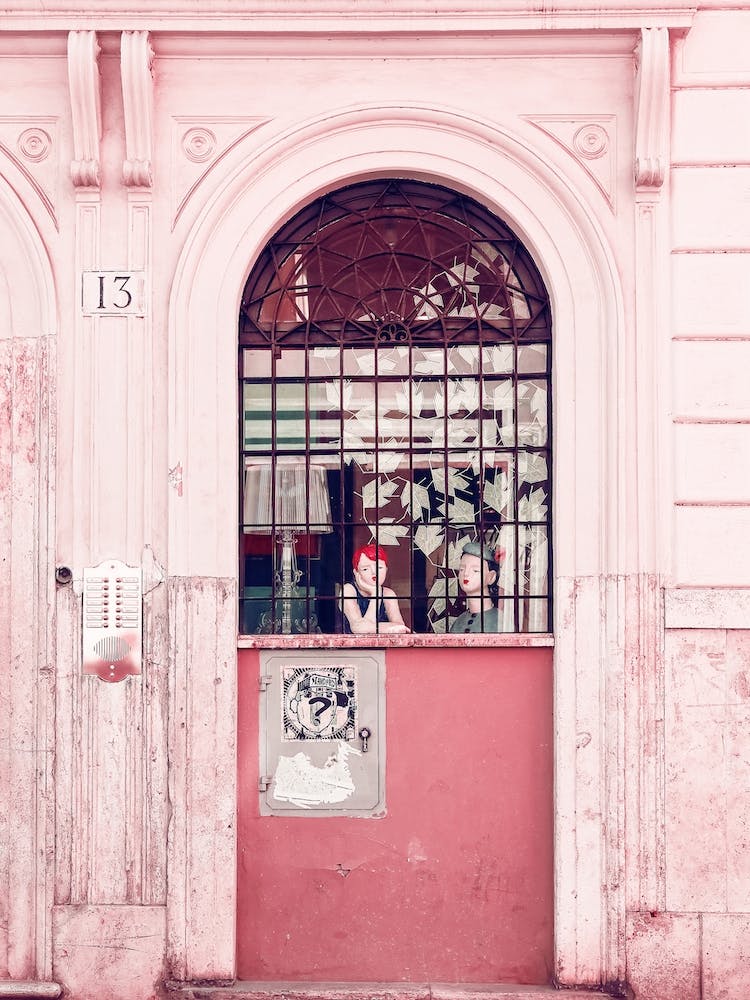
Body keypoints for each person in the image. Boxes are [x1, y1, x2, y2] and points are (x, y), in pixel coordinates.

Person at [342, 544, 410, 634]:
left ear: (386, 569)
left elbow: (400, 626)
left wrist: (366, 627)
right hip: (352, 647)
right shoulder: (348, 590)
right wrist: (375, 593)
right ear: (356, 572)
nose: (374, 572)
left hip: (383, 646)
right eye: (365, 569)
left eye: (379, 567)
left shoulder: (388, 594)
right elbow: (358, 629)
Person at [449, 540, 502, 633]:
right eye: (461, 569)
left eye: (475, 570)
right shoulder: (459, 622)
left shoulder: (500, 621)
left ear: (491, 577)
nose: (466, 574)